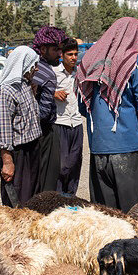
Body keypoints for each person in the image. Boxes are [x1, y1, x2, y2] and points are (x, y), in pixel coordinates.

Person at [74, 15, 138, 212]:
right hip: (130, 147)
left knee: (107, 215)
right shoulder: (133, 62)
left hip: (99, 150)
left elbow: (82, 107)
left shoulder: (88, 61)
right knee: (134, 214)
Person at [0, 46, 43, 207]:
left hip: (32, 149)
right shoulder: (6, 92)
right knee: (17, 200)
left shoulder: (25, 85)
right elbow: (3, 130)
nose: (36, 68)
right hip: (18, 154)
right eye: (33, 65)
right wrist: (7, 162)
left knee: (31, 198)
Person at [31, 26, 67, 194]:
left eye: (60, 49)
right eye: (55, 50)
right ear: (43, 49)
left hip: (29, 134)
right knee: (48, 181)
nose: (59, 54)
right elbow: (44, 113)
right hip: (44, 133)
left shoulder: (32, 67)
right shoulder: (48, 74)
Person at [53, 39, 84, 194]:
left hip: (77, 123)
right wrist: (53, 94)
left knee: (75, 163)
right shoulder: (54, 73)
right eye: (70, 54)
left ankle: (71, 198)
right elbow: (39, 92)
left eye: (76, 54)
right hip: (60, 123)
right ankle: (58, 198)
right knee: (61, 166)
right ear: (61, 55)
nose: (73, 57)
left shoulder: (79, 74)